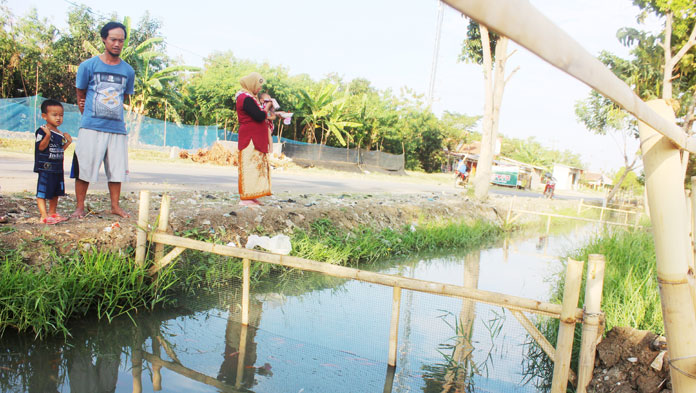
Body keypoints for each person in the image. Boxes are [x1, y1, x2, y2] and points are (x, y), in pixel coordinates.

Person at [71, 21, 135, 218]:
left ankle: (115, 206)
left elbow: (123, 96)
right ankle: (80, 207)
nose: (117, 44)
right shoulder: (88, 66)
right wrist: (87, 110)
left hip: (116, 128)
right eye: (113, 39)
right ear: (104, 39)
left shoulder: (128, 71)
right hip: (91, 126)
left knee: (116, 170)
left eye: (121, 41)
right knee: (85, 168)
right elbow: (80, 92)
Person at [235, 72, 274, 206]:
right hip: (250, 139)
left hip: (256, 139)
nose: (259, 89)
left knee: (257, 167)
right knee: (250, 167)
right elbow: (258, 116)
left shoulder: (251, 98)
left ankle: (253, 196)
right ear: (251, 84)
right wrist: (267, 107)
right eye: (258, 86)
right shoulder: (245, 98)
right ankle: (246, 198)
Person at [34, 99, 72, 224]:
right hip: (46, 167)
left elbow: (60, 150)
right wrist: (48, 136)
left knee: (56, 191)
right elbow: (41, 147)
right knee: (43, 191)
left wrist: (68, 142)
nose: (58, 118)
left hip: (57, 168)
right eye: (54, 115)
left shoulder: (60, 133)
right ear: (44, 116)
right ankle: (44, 216)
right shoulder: (42, 130)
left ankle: (53, 213)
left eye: (61, 115)